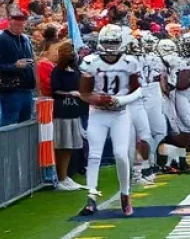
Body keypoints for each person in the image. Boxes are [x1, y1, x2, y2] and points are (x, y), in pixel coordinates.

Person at [79, 24, 140, 218]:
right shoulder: (91, 62)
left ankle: (125, 194)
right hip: (98, 112)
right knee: (94, 155)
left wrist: (119, 100)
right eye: (108, 42)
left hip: (120, 113)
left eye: (115, 42)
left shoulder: (130, 62)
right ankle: (91, 197)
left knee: (121, 154)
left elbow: (138, 90)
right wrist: (99, 99)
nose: (112, 47)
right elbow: (84, 93)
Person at [0, 4, 36, 126]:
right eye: (16, 24)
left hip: (26, 88)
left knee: (25, 122)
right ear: (9, 22)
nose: (19, 27)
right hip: (11, 89)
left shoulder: (25, 39)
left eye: (22, 24)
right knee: (10, 123)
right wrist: (15, 66)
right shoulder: (1, 40)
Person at [51, 41, 86, 191]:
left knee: (71, 146)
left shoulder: (76, 71)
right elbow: (55, 90)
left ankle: (66, 176)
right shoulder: (57, 71)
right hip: (62, 112)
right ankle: (61, 177)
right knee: (63, 145)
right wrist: (70, 94)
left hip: (74, 112)